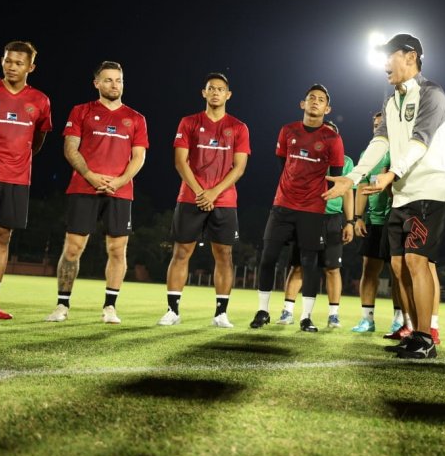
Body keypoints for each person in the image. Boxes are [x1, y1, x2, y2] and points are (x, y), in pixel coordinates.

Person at [324, 33, 445, 359]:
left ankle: (427, 337)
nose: (384, 64)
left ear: (410, 57)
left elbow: (420, 141)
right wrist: (352, 178)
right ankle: (413, 331)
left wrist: (392, 174)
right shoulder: (392, 102)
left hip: (429, 190)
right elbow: (379, 144)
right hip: (400, 195)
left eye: (389, 56)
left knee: (415, 261)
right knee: (397, 268)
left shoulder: (432, 94)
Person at [46, 61, 148, 324]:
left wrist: (120, 181)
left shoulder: (136, 118)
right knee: (73, 248)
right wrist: (91, 176)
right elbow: (71, 148)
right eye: (108, 80)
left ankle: (110, 307)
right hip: (83, 187)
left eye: (119, 80)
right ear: (97, 84)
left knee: (117, 250)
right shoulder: (81, 111)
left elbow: (139, 157)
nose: (114, 85)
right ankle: (62, 306)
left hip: (120, 191)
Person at [250, 84, 350, 333]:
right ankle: (263, 311)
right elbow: (283, 162)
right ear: (302, 104)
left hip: (313, 209)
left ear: (328, 108)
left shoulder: (333, 138)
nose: (315, 102)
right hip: (283, 205)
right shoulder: (288, 130)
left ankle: (306, 317)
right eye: (311, 98)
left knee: (309, 263)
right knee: (268, 258)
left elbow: (336, 177)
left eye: (321, 100)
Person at [158, 73, 250, 328]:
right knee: (181, 252)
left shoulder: (239, 127)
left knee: (224, 255)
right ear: (204, 93)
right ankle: (172, 311)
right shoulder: (188, 122)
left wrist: (213, 193)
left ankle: (221, 314)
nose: (216, 93)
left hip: (224, 200)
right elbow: (180, 162)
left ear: (228, 95)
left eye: (221, 89)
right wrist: (201, 191)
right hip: (190, 197)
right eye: (211, 88)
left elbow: (239, 167)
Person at [0, 41, 51, 320]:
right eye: (7, 61)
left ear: (31, 67)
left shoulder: (40, 100)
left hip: (17, 178)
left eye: (18, 62)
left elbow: (37, 140)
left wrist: (17, 159)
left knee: (3, 237)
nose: (11, 66)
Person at [280, 133, 354, 329]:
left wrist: (350, 222)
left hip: (332, 219)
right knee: (299, 265)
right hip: (307, 216)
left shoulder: (345, 162)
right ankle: (287, 311)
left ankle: (333, 315)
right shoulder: (306, 156)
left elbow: (348, 192)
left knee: (332, 268)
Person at [350, 111, 408, 337]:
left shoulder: (400, 151)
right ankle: (367, 319)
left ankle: (399, 319)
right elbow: (362, 187)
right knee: (369, 269)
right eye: (374, 125)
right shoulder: (368, 153)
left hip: (394, 219)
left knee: (397, 272)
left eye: (381, 124)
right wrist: (357, 218)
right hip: (372, 221)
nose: (377, 128)